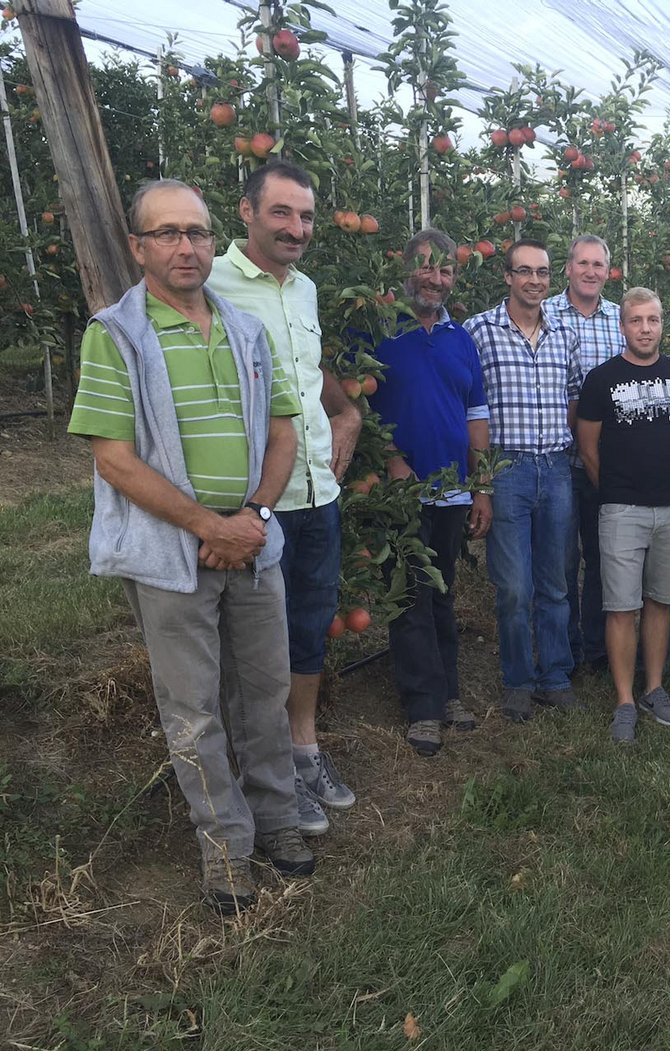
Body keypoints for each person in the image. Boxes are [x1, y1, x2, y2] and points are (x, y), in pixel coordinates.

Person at [68, 179, 313, 914]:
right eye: (168, 233)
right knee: (194, 710)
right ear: (139, 247)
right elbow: (113, 457)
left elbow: (281, 431)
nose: (186, 246)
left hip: (251, 541)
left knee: (266, 692)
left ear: (215, 242)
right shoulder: (115, 334)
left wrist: (255, 514)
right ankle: (225, 849)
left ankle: (276, 820)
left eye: (197, 233)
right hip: (174, 557)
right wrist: (211, 527)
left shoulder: (244, 329)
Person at [207, 158, 361, 838]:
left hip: (316, 489)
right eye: (281, 212)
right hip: (253, 498)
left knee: (307, 628)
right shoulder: (208, 282)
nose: (295, 227)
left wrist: (347, 412)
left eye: (304, 216)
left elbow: (308, 367)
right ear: (246, 211)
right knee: (254, 643)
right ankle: (264, 769)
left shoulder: (304, 289)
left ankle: (304, 751)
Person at [367, 230, 491, 757]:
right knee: (408, 594)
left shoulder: (460, 339)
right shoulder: (378, 331)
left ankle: (448, 693)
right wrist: (390, 459)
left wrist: (480, 484)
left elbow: (476, 414)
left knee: (441, 592)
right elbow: (357, 405)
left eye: (445, 271)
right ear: (406, 266)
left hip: (452, 492)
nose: (435, 279)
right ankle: (422, 705)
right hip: (399, 492)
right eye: (426, 267)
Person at [576, 287, 670, 742]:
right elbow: (588, 446)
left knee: (660, 601)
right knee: (620, 605)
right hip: (621, 508)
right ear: (623, 326)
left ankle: (655, 687)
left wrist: (663, 481)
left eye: (652, 320)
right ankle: (625, 700)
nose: (645, 329)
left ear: (662, 323)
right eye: (636, 321)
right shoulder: (601, 379)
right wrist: (612, 489)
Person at [466, 239, 582, 722]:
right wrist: (483, 481)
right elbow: (470, 407)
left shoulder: (564, 335)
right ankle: (518, 679)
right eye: (525, 271)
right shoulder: (479, 332)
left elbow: (574, 399)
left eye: (543, 272)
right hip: (506, 468)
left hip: (554, 467)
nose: (535, 280)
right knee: (514, 585)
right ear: (508, 277)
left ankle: (554, 676)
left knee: (555, 582)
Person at [544, 235, 624, 675]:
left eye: (599, 265)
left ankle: (595, 647)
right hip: (557, 457)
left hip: (605, 459)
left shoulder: (619, 318)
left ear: (608, 272)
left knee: (601, 556)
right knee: (560, 560)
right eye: (583, 264)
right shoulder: (547, 313)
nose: (591, 272)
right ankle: (564, 647)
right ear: (568, 268)